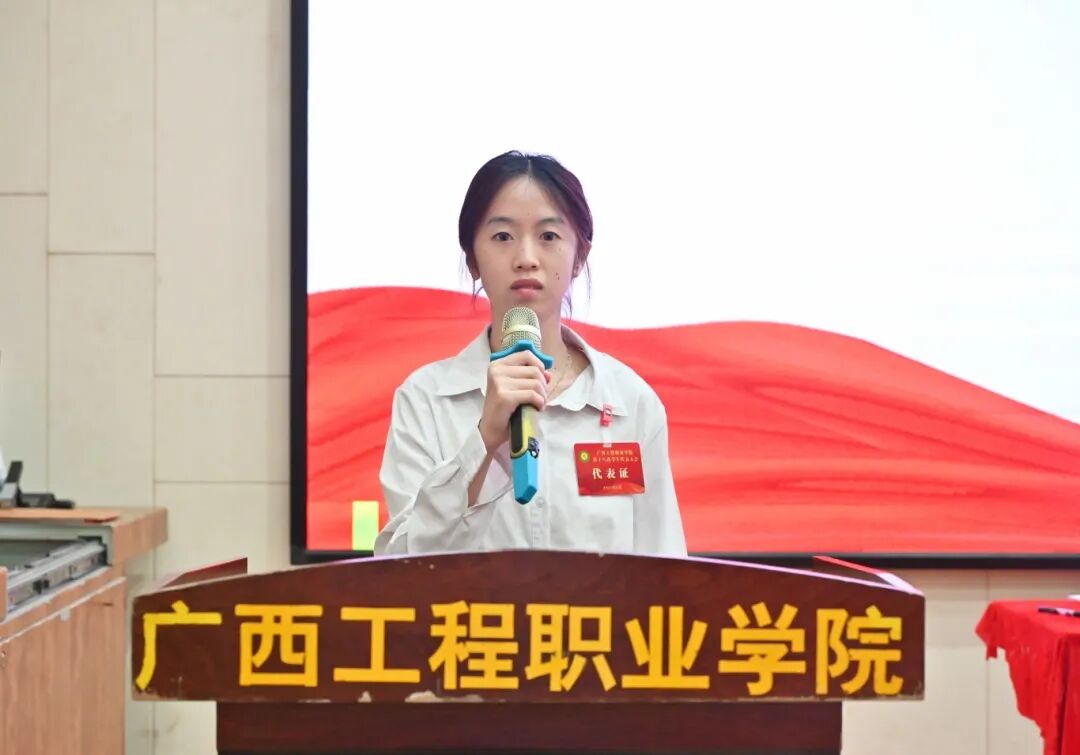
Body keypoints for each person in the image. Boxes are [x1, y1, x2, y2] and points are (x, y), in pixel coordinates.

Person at [373, 151, 686, 557]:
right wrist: (484, 440)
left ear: (580, 257)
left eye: (548, 236)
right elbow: (401, 564)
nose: (526, 258)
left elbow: (664, 566)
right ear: (472, 260)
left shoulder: (630, 402)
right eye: (503, 236)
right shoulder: (425, 401)